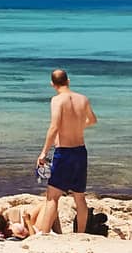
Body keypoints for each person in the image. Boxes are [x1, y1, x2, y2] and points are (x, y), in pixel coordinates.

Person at [34, 68, 98, 235]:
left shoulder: (57, 100)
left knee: (53, 195)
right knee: (79, 196)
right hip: (80, 151)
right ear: (68, 81)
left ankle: (45, 233)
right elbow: (92, 120)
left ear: (52, 84)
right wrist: (77, 126)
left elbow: (54, 127)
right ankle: (81, 234)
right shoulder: (83, 99)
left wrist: (43, 153)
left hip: (64, 152)